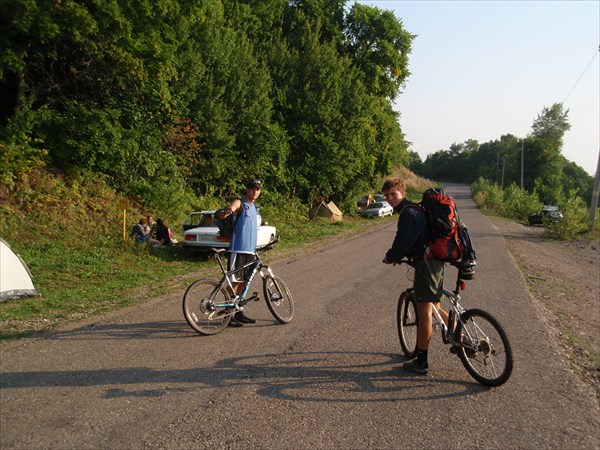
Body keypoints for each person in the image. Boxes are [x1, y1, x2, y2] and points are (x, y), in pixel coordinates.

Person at [381, 178, 448, 375]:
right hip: (434, 261)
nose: (390, 199)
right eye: (387, 195)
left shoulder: (408, 213)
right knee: (435, 307)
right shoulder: (415, 209)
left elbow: (402, 241)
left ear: (402, 192)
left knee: (424, 311)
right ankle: (459, 329)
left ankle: (421, 361)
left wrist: (390, 257)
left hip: (426, 263)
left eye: (393, 194)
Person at [218, 179, 263, 327]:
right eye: (252, 188)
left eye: (257, 189)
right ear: (247, 189)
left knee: (244, 283)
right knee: (234, 283)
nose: (255, 191)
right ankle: (227, 314)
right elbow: (229, 210)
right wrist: (227, 211)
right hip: (237, 249)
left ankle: (238, 313)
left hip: (250, 251)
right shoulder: (240, 203)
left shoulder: (254, 207)